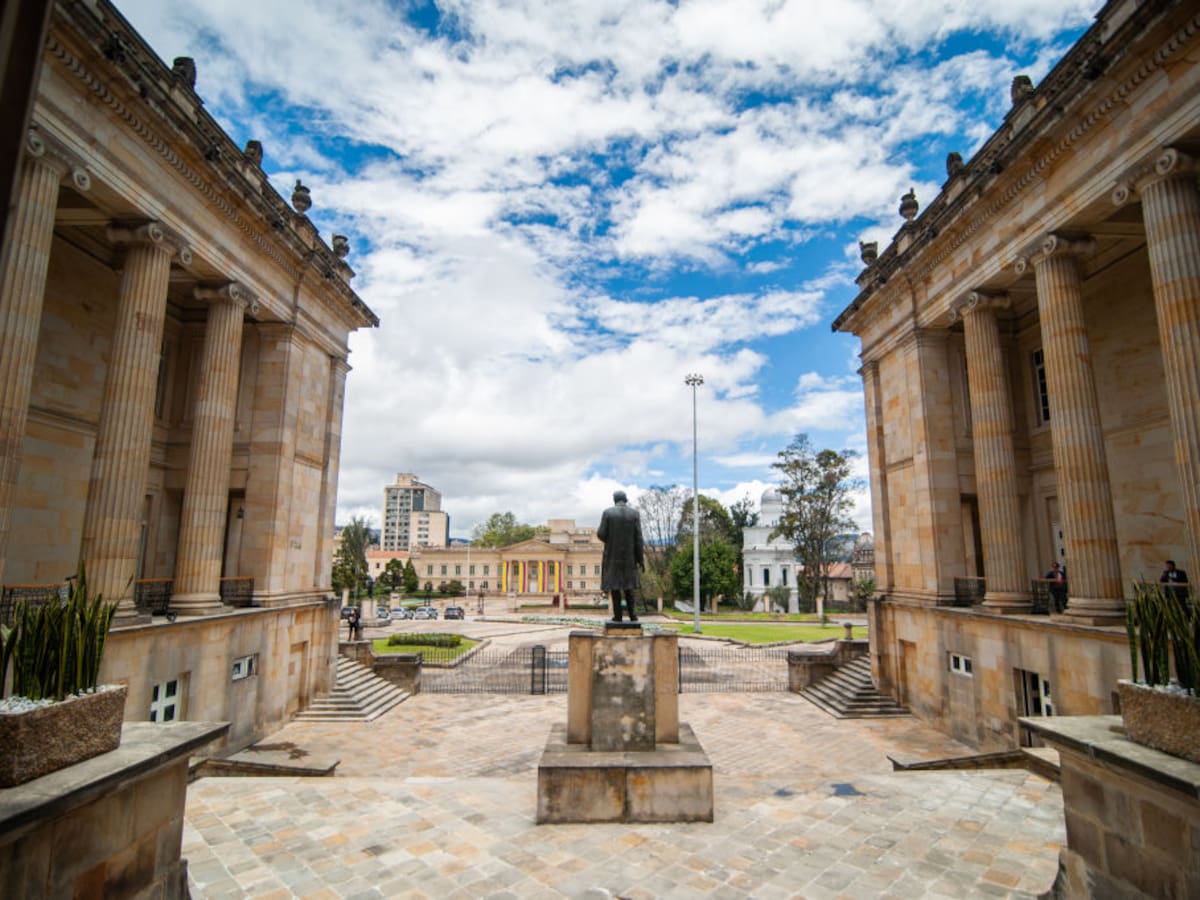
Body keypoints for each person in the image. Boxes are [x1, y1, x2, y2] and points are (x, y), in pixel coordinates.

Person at [597, 490, 645, 623]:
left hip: (613, 557)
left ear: (615, 499)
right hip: (629, 558)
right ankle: (633, 616)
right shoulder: (634, 514)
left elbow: (601, 534)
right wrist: (640, 559)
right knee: (629, 587)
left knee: (615, 587)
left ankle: (617, 616)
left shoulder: (608, 513)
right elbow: (639, 538)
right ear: (625, 499)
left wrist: (611, 538)